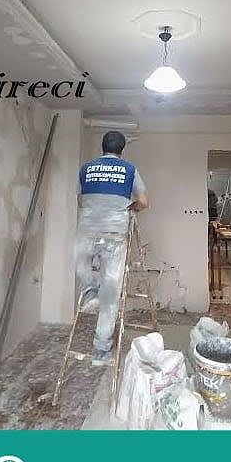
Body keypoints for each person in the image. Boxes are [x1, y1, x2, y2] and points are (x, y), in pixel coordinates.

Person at [76, 131, 149, 366]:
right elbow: (144, 202)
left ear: (102, 147)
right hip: (115, 235)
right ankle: (100, 351)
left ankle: (90, 291)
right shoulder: (129, 169)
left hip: (87, 230)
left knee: (81, 261)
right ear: (122, 150)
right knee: (110, 293)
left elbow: (81, 200)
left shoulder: (86, 168)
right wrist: (130, 207)